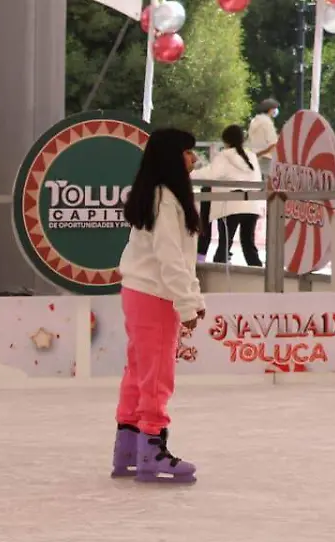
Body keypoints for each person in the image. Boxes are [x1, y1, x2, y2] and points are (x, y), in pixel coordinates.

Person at [113, 128, 202, 484]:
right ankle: (152, 448)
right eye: (187, 152)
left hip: (139, 291)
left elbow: (178, 257)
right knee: (157, 374)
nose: (193, 158)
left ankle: (128, 446)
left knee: (138, 370)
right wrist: (187, 304)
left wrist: (191, 296)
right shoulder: (166, 199)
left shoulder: (154, 194)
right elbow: (171, 258)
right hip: (156, 295)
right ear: (171, 157)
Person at [192, 125, 263, 266]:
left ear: (225, 140)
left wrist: (188, 175)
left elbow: (210, 174)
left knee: (224, 245)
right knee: (249, 245)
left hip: (230, 206)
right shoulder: (252, 156)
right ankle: (260, 276)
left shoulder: (224, 156)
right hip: (252, 206)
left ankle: (219, 277)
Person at [247, 98, 279, 163]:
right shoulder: (267, 122)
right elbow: (273, 144)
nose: (275, 111)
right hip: (265, 159)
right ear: (270, 109)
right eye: (274, 108)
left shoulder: (254, 121)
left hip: (253, 157)